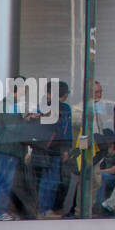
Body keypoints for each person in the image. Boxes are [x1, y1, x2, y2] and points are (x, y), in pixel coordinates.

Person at [34, 81, 73, 219]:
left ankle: (49, 208)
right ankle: (45, 209)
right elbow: (65, 130)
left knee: (53, 179)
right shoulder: (48, 107)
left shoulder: (49, 107)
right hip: (49, 148)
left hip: (51, 147)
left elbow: (65, 130)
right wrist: (67, 148)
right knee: (49, 179)